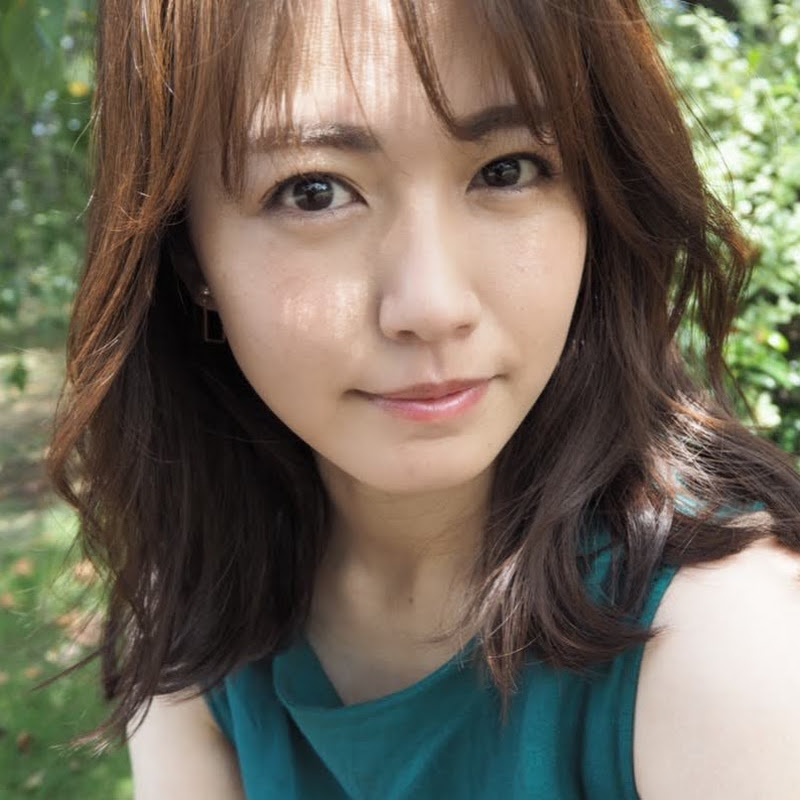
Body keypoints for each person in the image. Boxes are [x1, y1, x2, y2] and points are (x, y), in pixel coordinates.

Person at [47, 0, 800, 797]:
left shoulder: (731, 646)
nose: (433, 305)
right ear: (186, 254)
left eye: (506, 170)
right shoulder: (199, 604)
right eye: (313, 192)